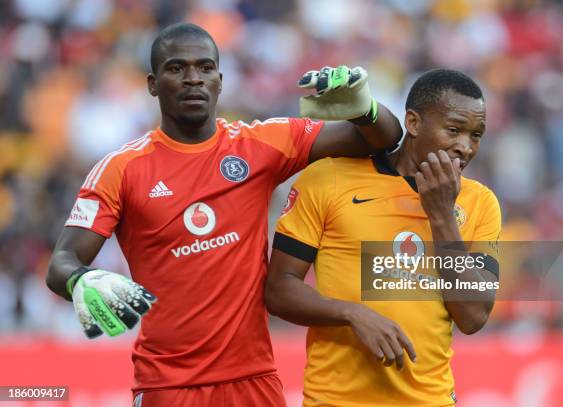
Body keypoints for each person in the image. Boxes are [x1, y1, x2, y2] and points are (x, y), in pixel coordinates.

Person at [45, 23, 402, 406]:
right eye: (176, 68)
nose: (193, 79)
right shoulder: (122, 168)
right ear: (152, 83)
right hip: (168, 387)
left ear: (220, 79)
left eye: (204, 68)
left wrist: (365, 108)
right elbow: (61, 264)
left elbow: (384, 138)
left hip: (254, 381)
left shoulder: (259, 145)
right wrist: (81, 280)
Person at [265, 69, 502, 406]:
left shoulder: (480, 202)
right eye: (454, 130)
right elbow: (279, 290)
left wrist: (441, 214)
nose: (465, 147)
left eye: (476, 135)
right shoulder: (328, 178)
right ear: (414, 123)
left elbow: (473, 317)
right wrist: (352, 313)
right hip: (336, 401)